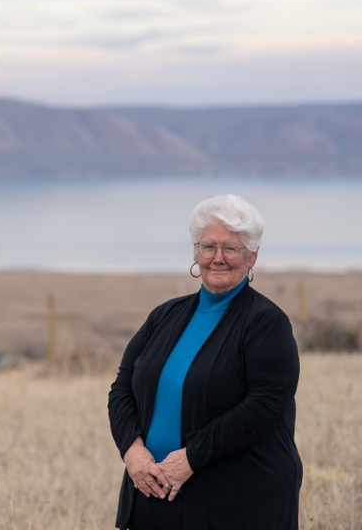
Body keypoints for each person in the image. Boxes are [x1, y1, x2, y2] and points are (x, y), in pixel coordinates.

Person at [107, 194, 302, 529]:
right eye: (208, 246)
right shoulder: (165, 316)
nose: (218, 258)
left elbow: (263, 406)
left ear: (252, 256)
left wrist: (191, 459)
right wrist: (132, 452)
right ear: (195, 253)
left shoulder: (267, 323)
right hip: (152, 495)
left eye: (231, 248)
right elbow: (122, 387)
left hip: (237, 501)